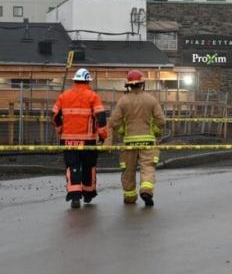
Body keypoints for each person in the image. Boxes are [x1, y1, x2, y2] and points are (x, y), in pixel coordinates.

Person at [106, 70, 166, 206]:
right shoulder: (151, 99)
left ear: (128, 85)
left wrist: (123, 132)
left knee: (128, 170)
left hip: (129, 142)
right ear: (142, 84)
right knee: (148, 167)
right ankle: (146, 190)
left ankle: (130, 197)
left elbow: (113, 122)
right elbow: (161, 121)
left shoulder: (123, 101)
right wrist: (154, 131)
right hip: (148, 142)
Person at [52, 68, 108, 209]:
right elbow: (101, 118)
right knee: (89, 166)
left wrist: (60, 130)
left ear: (75, 80)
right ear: (88, 80)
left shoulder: (64, 96)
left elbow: (54, 116)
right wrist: (102, 135)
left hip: (68, 139)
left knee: (72, 166)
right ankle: (88, 194)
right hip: (88, 139)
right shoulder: (93, 96)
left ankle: (75, 196)